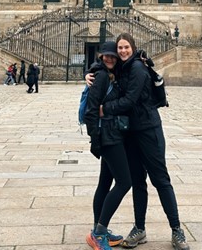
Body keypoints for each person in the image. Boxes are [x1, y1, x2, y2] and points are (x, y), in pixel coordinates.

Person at [101, 32, 190, 250]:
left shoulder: (138, 69)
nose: (122, 51)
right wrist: (90, 75)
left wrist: (105, 109)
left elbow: (130, 100)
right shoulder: (122, 68)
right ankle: (139, 229)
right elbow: (103, 68)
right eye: (119, 48)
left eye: (125, 47)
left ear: (132, 47)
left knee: (160, 180)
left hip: (149, 131)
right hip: (131, 133)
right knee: (138, 182)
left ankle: (177, 230)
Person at [84, 41, 130, 250]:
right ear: (101, 56)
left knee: (104, 182)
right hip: (108, 136)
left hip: (110, 133)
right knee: (124, 182)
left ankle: (98, 229)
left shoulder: (106, 73)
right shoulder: (101, 75)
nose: (111, 58)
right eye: (107, 55)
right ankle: (99, 232)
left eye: (114, 55)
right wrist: (95, 139)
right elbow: (91, 110)